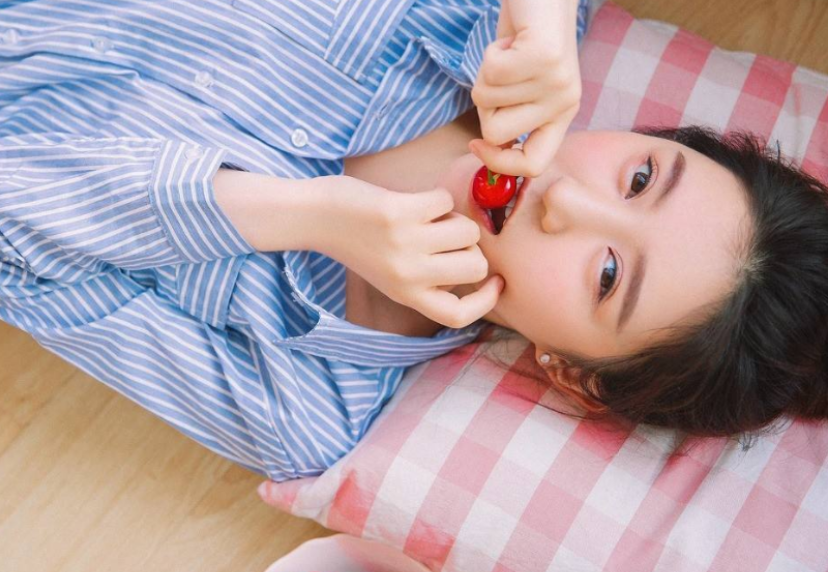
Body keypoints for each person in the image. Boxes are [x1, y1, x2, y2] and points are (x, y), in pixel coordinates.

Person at [0, 0, 823, 483]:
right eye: (640, 178)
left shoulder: (302, 405)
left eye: (608, 275)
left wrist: (299, 213)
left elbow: (16, 249)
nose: (566, 198)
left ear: (572, 376)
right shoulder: (496, 24)